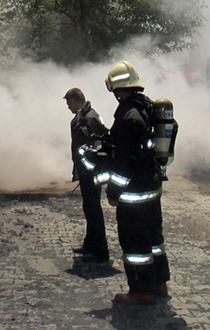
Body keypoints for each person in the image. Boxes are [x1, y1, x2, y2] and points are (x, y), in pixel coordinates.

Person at [103, 61, 170, 305]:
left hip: (135, 194)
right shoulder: (147, 106)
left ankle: (141, 290)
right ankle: (160, 283)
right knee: (154, 239)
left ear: (117, 89)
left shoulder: (129, 116)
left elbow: (124, 162)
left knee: (135, 243)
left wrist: (113, 191)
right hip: (152, 187)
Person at [63, 87, 109, 263]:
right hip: (85, 172)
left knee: (94, 211)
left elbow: (97, 147)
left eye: (68, 103)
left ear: (75, 100)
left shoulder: (90, 119)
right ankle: (90, 244)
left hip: (91, 174)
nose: (68, 106)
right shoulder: (82, 118)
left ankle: (100, 250)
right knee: (89, 209)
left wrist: (89, 170)